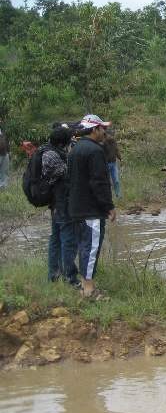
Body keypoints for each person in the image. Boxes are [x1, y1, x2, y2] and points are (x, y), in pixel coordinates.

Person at [67, 114, 116, 298]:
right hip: (91, 210)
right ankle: (88, 289)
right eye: (102, 128)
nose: (105, 132)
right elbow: (99, 182)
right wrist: (109, 206)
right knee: (92, 247)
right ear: (94, 129)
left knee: (84, 246)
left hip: (77, 208)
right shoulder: (95, 151)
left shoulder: (76, 149)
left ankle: (85, 285)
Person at [42, 126, 79, 287]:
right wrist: (71, 155)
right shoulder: (51, 155)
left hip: (56, 204)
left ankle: (54, 275)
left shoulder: (47, 151)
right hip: (61, 203)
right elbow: (67, 173)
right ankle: (70, 278)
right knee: (67, 239)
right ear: (63, 142)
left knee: (55, 238)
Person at [103, 128, 122, 198]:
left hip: (113, 164)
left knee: (116, 180)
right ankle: (108, 196)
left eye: (112, 135)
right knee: (107, 182)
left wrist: (120, 158)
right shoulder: (103, 143)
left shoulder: (114, 142)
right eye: (110, 135)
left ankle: (118, 195)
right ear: (106, 135)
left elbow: (116, 150)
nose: (111, 136)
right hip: (106, 164)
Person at [0, 122, 9, 189]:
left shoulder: (2, 130)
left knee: (4, 171)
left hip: (4, 153)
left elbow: (6, 141)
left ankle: (3, 187)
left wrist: (8, 152)